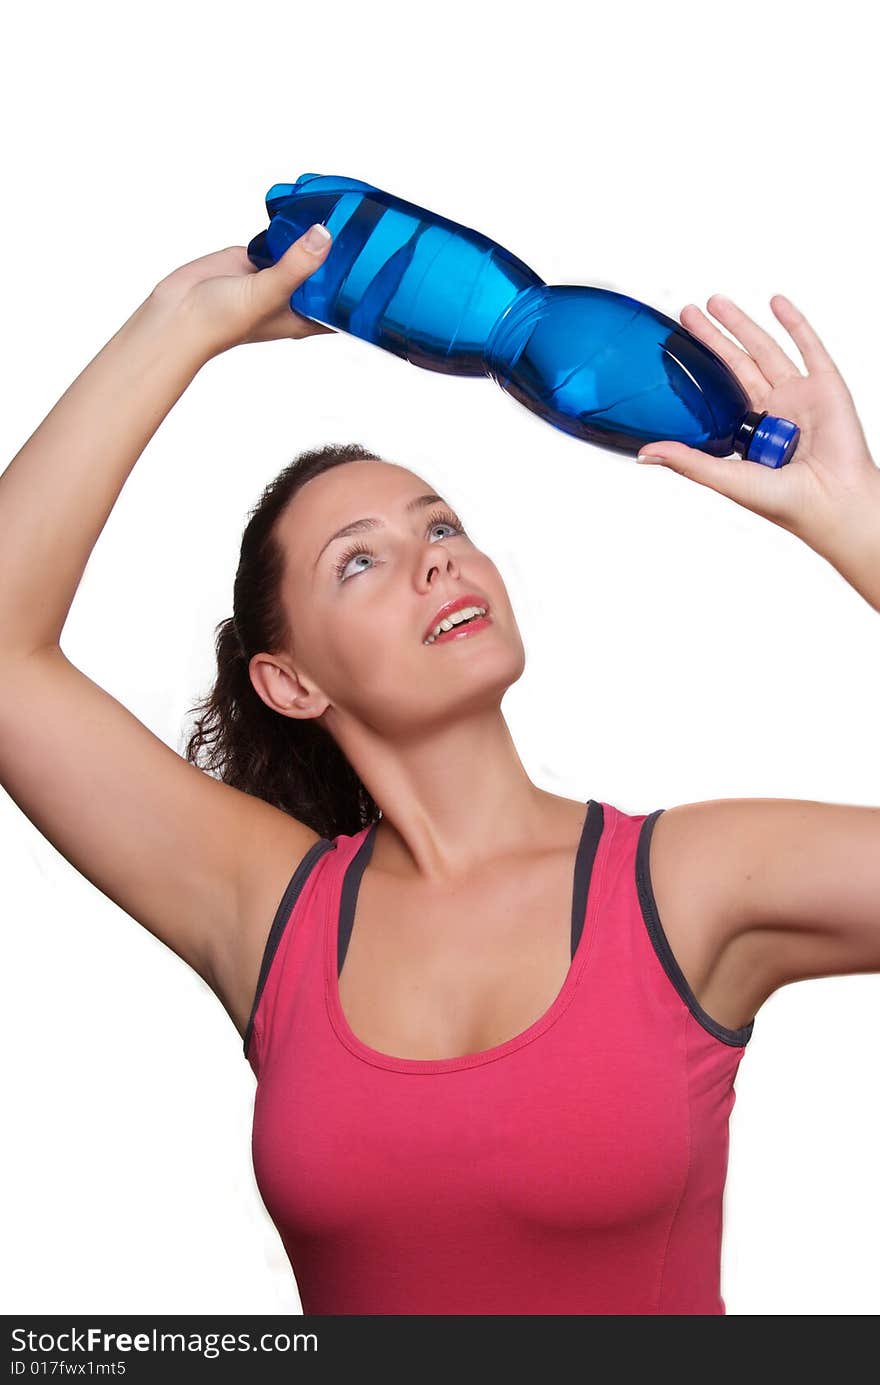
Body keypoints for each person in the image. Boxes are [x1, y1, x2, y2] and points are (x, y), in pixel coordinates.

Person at [1, 222, 878, 1316]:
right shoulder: (269, 912)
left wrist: (858, 522)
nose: (436, 558)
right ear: (290, 682)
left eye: (443, 523)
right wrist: (179, 325)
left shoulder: (691, 883)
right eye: (359, 560)